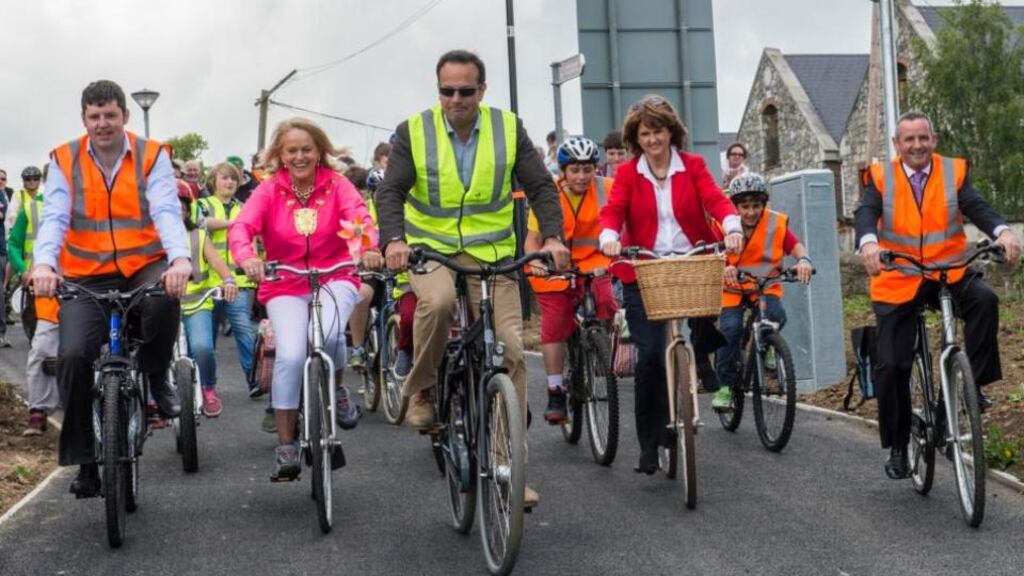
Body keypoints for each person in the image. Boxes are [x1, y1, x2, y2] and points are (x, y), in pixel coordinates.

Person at [376, 49, 569, 508]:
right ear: (438, 90)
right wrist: (393, 242)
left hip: (493, 254)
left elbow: (541, 185)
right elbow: (392, 191)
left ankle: (509, 468)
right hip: (433, 250)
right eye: (447, 91)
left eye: (466, 91)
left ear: (482, 91)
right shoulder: (414, 131)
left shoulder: (507, 127)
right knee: (439, 304)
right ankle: (423, 386)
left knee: (510, 349)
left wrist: (554, 238)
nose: (456, 99)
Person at [31, 79, 191, 497]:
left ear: (125, 116)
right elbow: (54, 219)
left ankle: (156, 376)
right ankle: (85, 462)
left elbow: (166, 209)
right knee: (72, 356)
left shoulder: (150, 155)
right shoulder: (65, 159)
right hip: (85, 272)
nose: (103, 124)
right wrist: (44, 263)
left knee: (162, 300)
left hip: (143, 263)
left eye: (110, 115)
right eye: (94, 116)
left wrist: (179, 259)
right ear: (84, 119)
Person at [855, 110, 1022, 480]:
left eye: (923, 138)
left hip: (948, 272)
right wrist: (868, 243)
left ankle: (970, 387)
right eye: (909, 140)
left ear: (934, 140)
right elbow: (865, 214)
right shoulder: (881, 176)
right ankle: (899, 446)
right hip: (898, 276)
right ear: (897, 145)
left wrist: (1003, 232)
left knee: (984, 300)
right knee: (893, 365)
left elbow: (978, 207)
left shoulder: (952, 172)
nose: (917, 145)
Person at [599, 94, 743, 475]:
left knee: (706, 311)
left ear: (671, 132)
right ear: (636, 138)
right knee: (648, 356)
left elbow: (715, 200)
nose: (652, 140)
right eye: (645, 133)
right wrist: (610, 235)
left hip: (690, 262)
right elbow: (613, 210)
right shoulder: (629, 174)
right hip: (644, 268)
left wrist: (731, 227)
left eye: (658, 131)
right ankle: (650, 443)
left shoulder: (692, 166)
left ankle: (702, 357)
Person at [230, 117, 377, 480]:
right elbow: (242, 226)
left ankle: (338, 388)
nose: (299, 157)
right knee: (292, 355)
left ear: (320, 151)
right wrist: (247, 258)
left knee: (328, 334)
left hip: (336, 274)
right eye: (291, 150)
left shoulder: (337, 184)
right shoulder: (268, 190)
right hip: (284, 282)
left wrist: (369, 248)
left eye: (306, 150)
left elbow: (360, 218)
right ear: (280, 155)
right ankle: (286, 445)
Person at [525, 136, 618, 423]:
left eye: (587, 169)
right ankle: (555, 389)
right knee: (555, 323)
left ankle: (599, 352)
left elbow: (621, 224)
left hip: (594, 262)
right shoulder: (547, 193)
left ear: (595, 169)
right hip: (554, 266)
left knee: (606, 302)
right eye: (574, 170)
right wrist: (538, 260)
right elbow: (532, 241)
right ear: (563, 171)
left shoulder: (608, 189)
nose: (581, 176)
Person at [712, 173, 813, 410]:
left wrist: (804, 260)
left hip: (764, 285)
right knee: (730, 329)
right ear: (735, 207)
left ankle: (765, 344)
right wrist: (723, 266)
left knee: (777, 316)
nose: (750, 212)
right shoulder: (723, 224)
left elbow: (795, 246)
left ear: (763, 205)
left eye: (756, 205)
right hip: (732, 287)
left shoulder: (775, 223)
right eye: (744, 206)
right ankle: (725, 387)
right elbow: (712, 252)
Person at [197, 162, 258, 399]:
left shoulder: (244, 207)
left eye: (234, 179)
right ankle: (205, 385)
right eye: (225, 178)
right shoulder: (202, 205)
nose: (230, 182)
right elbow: (202, 225)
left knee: (243, 327)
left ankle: (253, 379)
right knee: (207, 338)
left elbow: (251, 236)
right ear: (213, 181)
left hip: (237, 281)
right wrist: (233, 224)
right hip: (208, 283)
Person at [179, 193, 239, 417]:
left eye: (182, 206)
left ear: (187, 210)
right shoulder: (150, 237)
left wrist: (229, 280)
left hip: (197, 303)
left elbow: (216, 261)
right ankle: (156, 395)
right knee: (154, 352)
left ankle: (208, 389)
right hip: (164, 306)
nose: (177, 210)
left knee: (203, 348)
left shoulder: (198, 235)